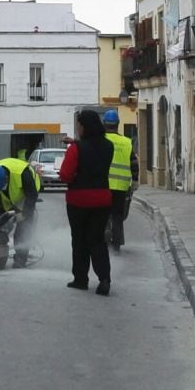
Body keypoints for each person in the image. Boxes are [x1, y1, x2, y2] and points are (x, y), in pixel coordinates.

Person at [59, 109, 115, 295]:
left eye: (78, 125)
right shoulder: (109, 146)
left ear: (83, 126)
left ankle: (81, 279)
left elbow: (66, 175)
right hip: (103, 198)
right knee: (97, 240)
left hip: (78, 201)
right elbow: (94, 149)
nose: (77, 129)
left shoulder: (76, 149)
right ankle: (104, 278)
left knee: (80, 240)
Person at [0, 156, 39, 268]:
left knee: (23, 226)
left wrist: (24, 213)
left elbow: (32, 195)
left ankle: (21, 258)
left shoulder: (22, 173)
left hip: (25, 195)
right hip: (8, 197)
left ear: (6, 178)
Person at [102, 109, 138, 252]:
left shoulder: (101, 140)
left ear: (104, 123)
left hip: (103, 185)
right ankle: (117, 243)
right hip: (121, 186)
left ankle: (103, 238)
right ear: (118, 123)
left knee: (102, 213)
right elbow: (134, 164)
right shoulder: (126, 142)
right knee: (117, 215)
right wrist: (134, 181)